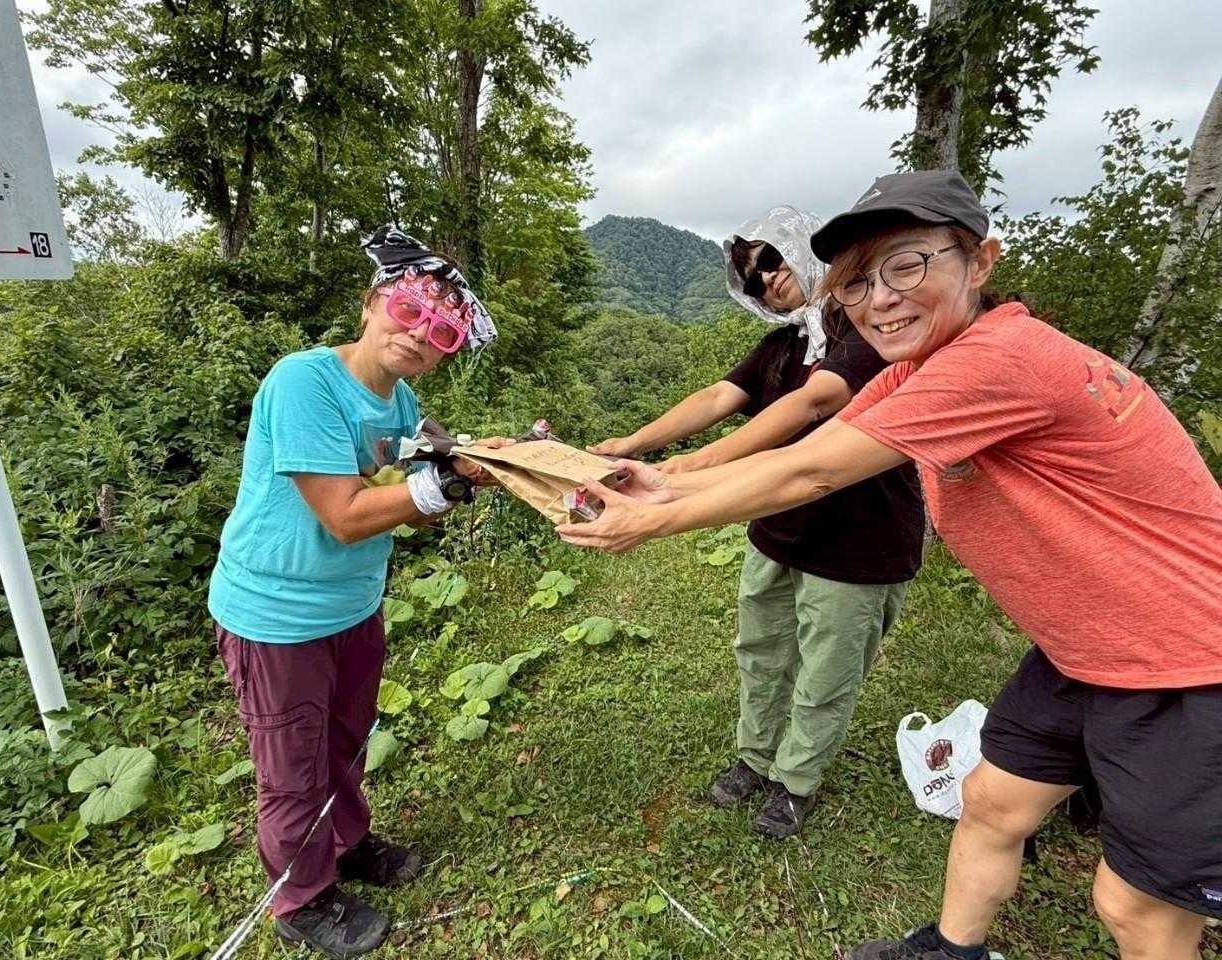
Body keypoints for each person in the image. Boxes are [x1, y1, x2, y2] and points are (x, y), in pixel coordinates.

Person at [558, 170, 1222, 960]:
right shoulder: (917, 368)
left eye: (907, 265)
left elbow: (813, 473)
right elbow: (802, 452)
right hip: (1086, 646)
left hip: (1187, 658)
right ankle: (950, 949)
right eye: (857, 281)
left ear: (980, 260)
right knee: (992, 802)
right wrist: (667, 483)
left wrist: (654, 520)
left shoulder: (997, 358)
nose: (880, 299)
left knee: (1135, 907)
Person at [208, 227, 503, 957]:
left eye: (441, 332)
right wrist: (442, 487)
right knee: (292, 768)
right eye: (409, 312)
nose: (419, 335)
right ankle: (301, 899)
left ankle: (346, 842)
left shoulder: (400, 402)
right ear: (372, 304)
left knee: (346, 740)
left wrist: (478, 465)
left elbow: (426, 477)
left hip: (352, 606)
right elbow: (343, 517)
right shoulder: (303, 382)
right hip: (277, 617)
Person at [591, 205, 924, 838]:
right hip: (777, 527)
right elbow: (717, 397)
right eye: (752, 276)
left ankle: (796, 780)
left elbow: (814, 402)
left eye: (771, 259)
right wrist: (632, 443)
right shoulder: (785, 343)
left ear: (804, 250)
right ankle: (755, 756)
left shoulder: (868, 330)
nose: (767, 279)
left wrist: (692, 467)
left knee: (826, 673)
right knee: (761, 653)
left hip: (861, 542)